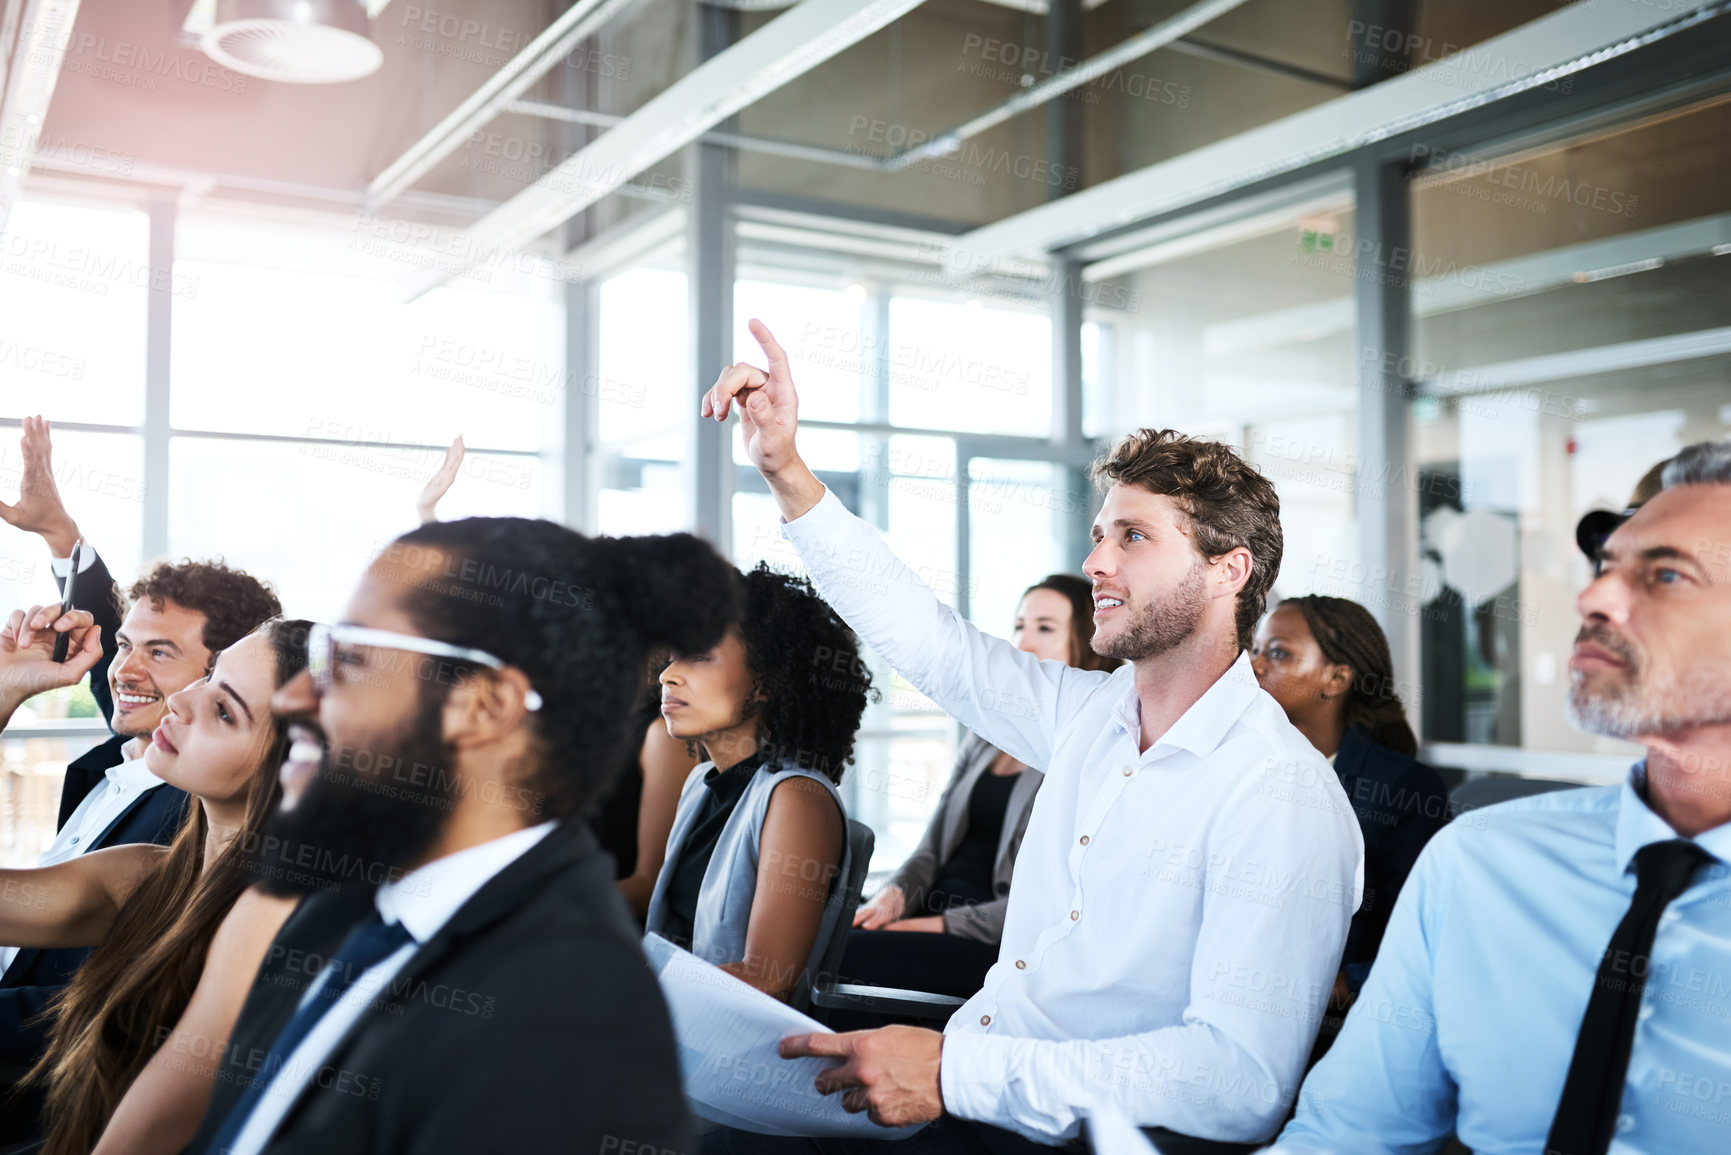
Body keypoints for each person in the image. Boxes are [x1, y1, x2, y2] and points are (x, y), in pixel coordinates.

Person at [696, 320, 1362, 1151]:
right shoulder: (1088, 716)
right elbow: (930, 643)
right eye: (1098, 535)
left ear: (1228, 570)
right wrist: (786, 470)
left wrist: (951, 1073)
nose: (1096, 563)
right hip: (979, 1100)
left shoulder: (1280, 792)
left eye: (1134, 536)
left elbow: (1237, 1080)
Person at [185, 518, 738, 1155]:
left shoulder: (566, 1029)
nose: (295, 697)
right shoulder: (339, 910)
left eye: (350, 658)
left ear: (482, 708)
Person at [1274, 437, 1731, 1155]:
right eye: (1605, 566)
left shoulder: (1404, 796)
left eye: (1666, 574)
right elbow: (1346, 1136)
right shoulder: (1477, 863)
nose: (1593, 595)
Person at [0, 416, 282, 1078]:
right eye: (125, 645)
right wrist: (61, 536)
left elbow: (101, 1023)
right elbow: (119, 666)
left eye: (161, 654)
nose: (122, 672)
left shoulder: (187, 828)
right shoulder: (141, 736)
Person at [0, 609, 310, 1155]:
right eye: (209, 677)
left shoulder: (278, 931)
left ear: (291, 766)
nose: (183, 701)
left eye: (223, 710)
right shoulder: (148, 873)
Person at [412, 434, 697, 916]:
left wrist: (526, 902)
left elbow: (650, 885)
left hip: (586, 937)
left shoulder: (659, 734)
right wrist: (428, 520)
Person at [844, 574, 1120, 1001]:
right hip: (926, 916)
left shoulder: (1091, 752)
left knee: (840, 955)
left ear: (1086, 643)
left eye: (1045, 628)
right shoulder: (986, 736)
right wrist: (894, 897)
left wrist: (927, 925)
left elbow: (1050, 903)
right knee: (826, 926)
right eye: (1019, 625)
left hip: (990, 943)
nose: (1023, 643)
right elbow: (929, 851)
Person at [645, 563, 871, 1007]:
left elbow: (768, 981)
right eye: (673, 656)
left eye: (700, 656)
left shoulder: (796, 798)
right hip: (669, 1030)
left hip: (730, 1051)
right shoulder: (701, 783)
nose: (667, 675)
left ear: (765, 683)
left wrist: (625, 991)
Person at [1250, 595, 1448, 1060]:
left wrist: (1342, 985)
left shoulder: (1401, 788)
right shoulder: (1243, 766)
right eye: (1256, 649)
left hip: (1334, 1027)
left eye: (1278, 652)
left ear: (1336, 678)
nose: (1255, 665)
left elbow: (1421, 936)